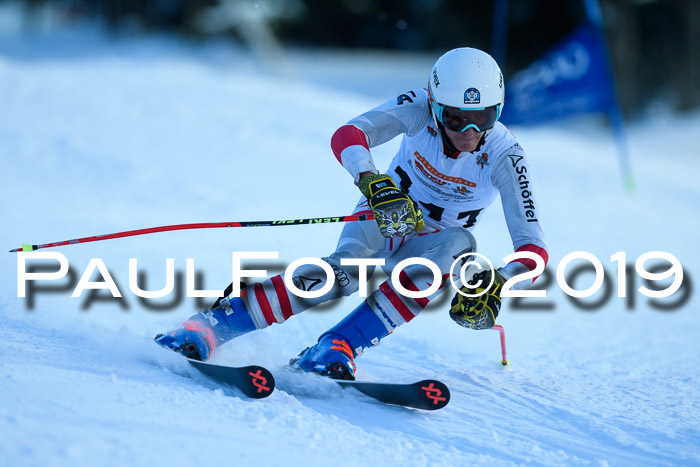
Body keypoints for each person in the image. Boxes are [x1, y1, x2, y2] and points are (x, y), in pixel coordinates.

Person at [156, 47, 548, 380]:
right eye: (455, 118)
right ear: (435, 104)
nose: (469, 131)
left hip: (437, 240)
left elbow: (533, 248)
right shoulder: (418, 108)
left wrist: (499, 280)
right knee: (345, 273)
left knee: (459, 245)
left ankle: (337, 346)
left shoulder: (505, 155)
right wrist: (373, 183)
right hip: (389, 210)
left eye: (484, 117)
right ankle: (212, 326)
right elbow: (349, 134)